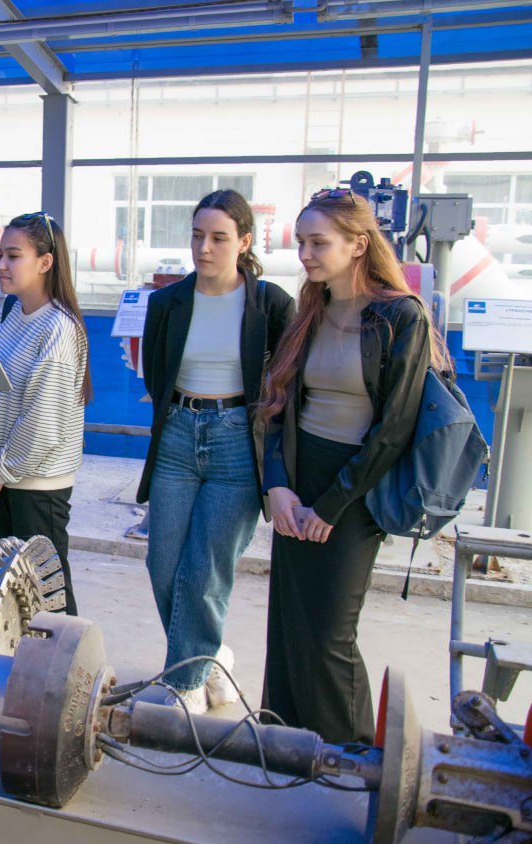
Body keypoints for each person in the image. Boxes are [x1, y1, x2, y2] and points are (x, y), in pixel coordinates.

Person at [256, 190, 444, 744]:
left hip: (357, 484)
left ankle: (351, 754)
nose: (305, 255)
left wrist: (333, 505)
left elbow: (394, 427)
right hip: (300, 476)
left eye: (319, 243)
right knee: (289, 627)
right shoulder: (310, 310)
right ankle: (284, 743)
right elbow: (277, 406)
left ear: (358, 245)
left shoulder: (400, 316)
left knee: (328, 634)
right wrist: (277, 487)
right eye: (301, 243)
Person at [138, 189, 295, 714]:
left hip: (237, 440)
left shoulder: (271, 305)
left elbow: (285, 383)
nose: (204, 248)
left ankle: (184, 684)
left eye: (219, 238)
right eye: (197, 236)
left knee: (205, 570)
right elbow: (157, 375)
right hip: (177, 435)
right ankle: (211, 655)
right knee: (163, 564)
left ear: (244, 242)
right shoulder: (167, 303)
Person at [0, 213, 91, 615]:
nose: (1, 264)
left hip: (36, 485)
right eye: (0, 254)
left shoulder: (60, 327)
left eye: (13, 256)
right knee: (1, 598)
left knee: (46, 603)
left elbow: (43, 422)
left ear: (45, 262)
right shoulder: (15, 314)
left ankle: (65, 659)